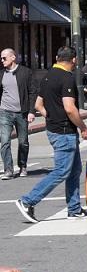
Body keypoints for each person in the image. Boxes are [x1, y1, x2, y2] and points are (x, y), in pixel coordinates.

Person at [15, 46, 87, 223]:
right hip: (64, 131)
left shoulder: (48, 76)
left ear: (57, 58)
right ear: (74, 60)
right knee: (62, 171)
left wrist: (50, 115)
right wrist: (84, 128)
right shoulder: (67, 78)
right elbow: (70, 109)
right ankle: (28, 200)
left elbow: (38, 104)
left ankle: (74, 208)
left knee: (74, 170)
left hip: (54, 129)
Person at [0, 48, 36, 180]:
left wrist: (32, 111)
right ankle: (8, 170)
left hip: (22, 113)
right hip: (5, 112)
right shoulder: (1, 74)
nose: (2, 60)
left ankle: (23, 166)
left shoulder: (26, 72)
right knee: (4, 142)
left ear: (13, 57)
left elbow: (33, 92)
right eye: (1, 58)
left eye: (4, 58)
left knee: (23, 142)